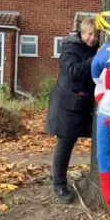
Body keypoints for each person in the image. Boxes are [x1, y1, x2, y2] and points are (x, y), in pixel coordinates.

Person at [44, 17, 99, 203]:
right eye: (89, 33)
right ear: (81, 33)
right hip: (66, 104)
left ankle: (56, 176)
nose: (92, 38)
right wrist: (96, 59)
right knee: (65, 144)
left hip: (83, 104)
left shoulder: (93, 49)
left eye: (96, 34)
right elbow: (73, 71)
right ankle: (58, 184)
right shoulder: (69, 47)